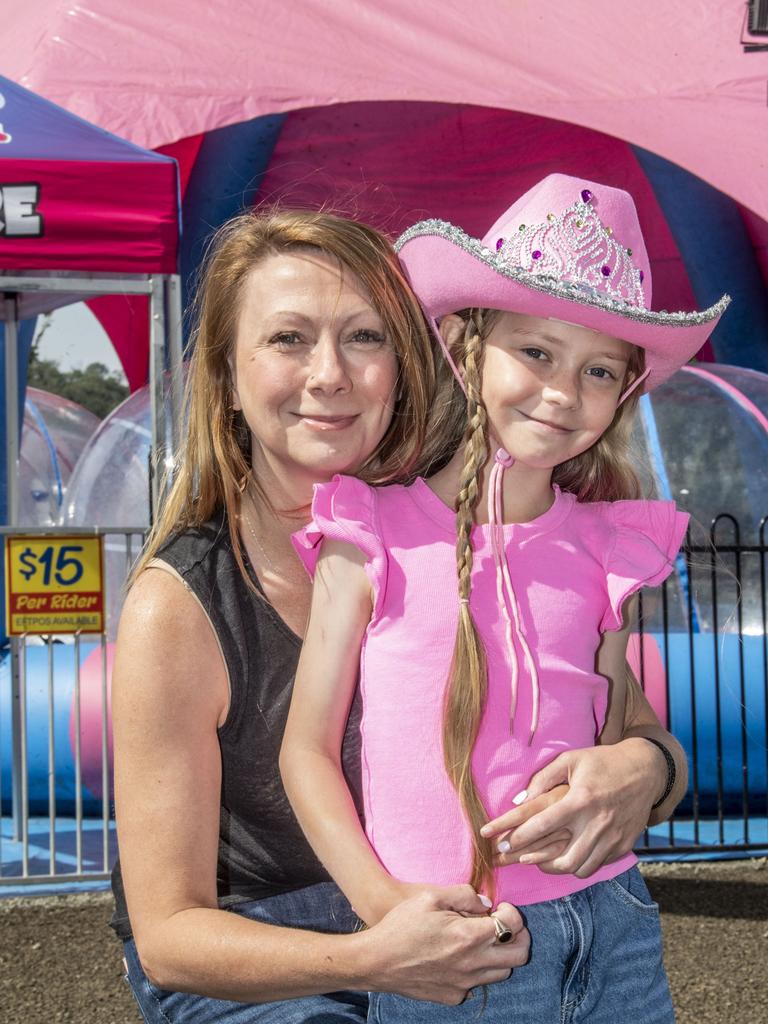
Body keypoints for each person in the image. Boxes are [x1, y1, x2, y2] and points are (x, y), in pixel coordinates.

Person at [279, 175, 729, 1022]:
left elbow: (623, 727)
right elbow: (305, 751)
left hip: (616, 931)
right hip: (445, 942)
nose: (563, 392)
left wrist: (624, 763)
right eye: (535, 352)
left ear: (628, 390)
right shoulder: (369, 527)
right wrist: (385, 914)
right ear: (463, 343)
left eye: (599, 369)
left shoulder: (608, 548)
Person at [111, 208, 533, 1023]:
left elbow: (629, 724)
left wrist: (644, 770)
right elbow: (167, 936)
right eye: (289, 339)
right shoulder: (180, 608)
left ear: (405, 367)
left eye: (365, 337)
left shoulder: (464, 541)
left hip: (438, 922)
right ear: (228, 378)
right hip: (256, 960)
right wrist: (376, 957)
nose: (330, 373)